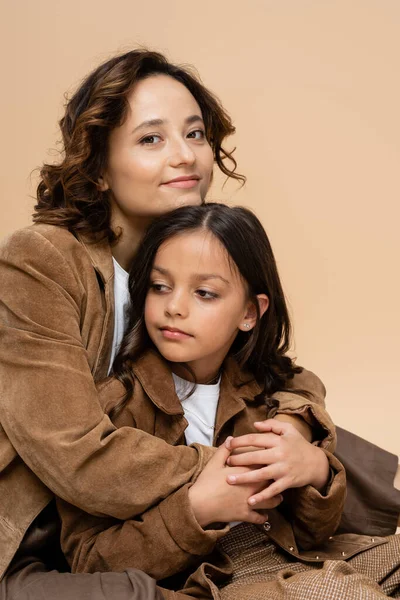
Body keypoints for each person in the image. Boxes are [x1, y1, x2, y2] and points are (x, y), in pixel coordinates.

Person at [0, 50, 331, 600]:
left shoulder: (189, 253)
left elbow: (274, 367)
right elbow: (73, 452)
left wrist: (293, 430)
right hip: (44, 522)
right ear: (99, 168)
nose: (186, 157)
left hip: (153, 479)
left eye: (195, 133)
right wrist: (222, 466)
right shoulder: (42, 259)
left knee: (324, 456)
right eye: (151, 139)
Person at [57, 203, 400, 599]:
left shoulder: (265, 392)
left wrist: (316, 470)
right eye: (160, 286)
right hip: (218, 579)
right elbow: (88, 561)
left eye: (204, 293)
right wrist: (197, 510)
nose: (174, 307)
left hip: (301, 558)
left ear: (250, 313)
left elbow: (314, 531)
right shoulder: (116, 408)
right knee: (339, 593)